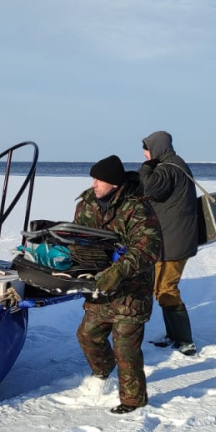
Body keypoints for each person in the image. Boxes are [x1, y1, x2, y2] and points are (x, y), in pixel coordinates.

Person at [74, 155, 161, 414]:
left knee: (125, 347)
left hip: (131, 289)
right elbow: (79, 239)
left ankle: (133, 400)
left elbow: (147, 250)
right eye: (93, 178)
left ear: (114, 184)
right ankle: (102, 372)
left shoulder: (138, 208)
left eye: (99, 179)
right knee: (88, 335)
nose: (94, 184)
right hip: (99, 286)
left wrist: (117, 271)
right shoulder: (87, 204)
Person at [138, 131, 199, 356]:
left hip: (174, 241)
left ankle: (185, 340)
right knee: (161, 289)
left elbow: (149, 188)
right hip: (175, 238)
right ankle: (175, 336)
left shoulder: (167, 168)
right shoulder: (175, 165)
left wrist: (146, 167)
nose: (145, 154)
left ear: (157, 148)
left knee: (166, 289)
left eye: (147, 149)